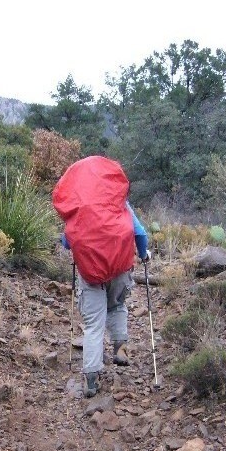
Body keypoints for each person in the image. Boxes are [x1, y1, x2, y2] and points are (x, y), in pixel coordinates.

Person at [53, 156, 150, 398]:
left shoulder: (80, 210)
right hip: (119, 268)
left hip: (90, 273)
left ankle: (92, 378)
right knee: (117, 305)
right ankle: (120, 346)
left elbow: (67, 242)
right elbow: (139, 232)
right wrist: (143, 254)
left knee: (93, 325)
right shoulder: (121, 205)